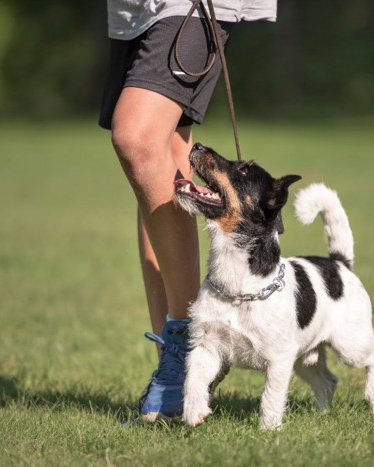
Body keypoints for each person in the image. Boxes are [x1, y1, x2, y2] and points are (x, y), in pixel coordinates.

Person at [99, 0, 277, 421]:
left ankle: (190, 345)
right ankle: (175, 367)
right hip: (132, 9)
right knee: (165, 154)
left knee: (137, 140)